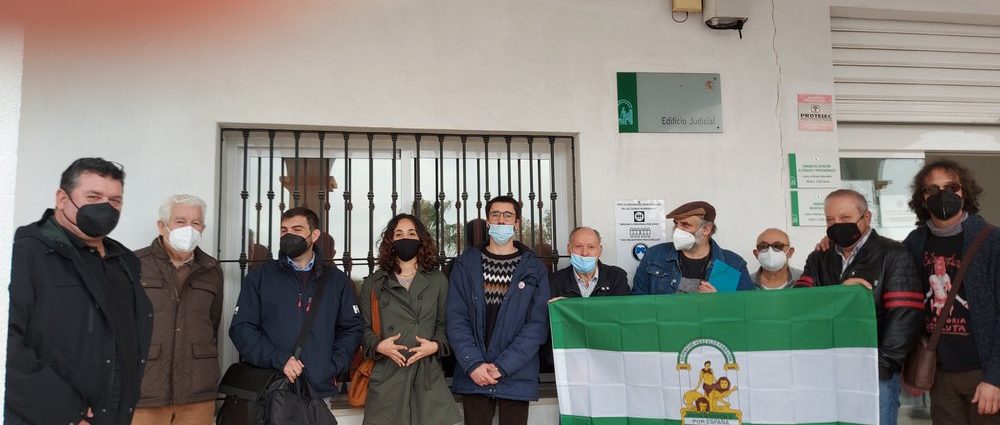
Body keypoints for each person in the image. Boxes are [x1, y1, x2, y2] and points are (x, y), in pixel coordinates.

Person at [6, 158, 153, 425]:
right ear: (62, 198)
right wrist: (66, 413)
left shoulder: (124, 261)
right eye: (93, 197)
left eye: (115, 200)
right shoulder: (24, 253)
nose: (105, 207)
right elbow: (7, 345)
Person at [793, 189, 923, 425]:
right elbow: (801, 304)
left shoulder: (893, 254)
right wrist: (842, 294)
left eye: (845, 218)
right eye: (830, 220)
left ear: (867, 217)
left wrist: (881, 365)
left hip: (875, 371)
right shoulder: (819, 257)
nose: (836, 225)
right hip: (829, 368)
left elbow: (905, 316)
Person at [230, 207, 363, 408]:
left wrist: (331, 366)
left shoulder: (336, 281)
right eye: (284, 230)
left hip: (318, 391)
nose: (289, 235)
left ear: (314, 235)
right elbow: (242, 328)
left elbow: (351, 328)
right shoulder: (260, 277)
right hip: (271, 388)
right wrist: (279, 359)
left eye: (297, 229)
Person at [901, 159, 1000, 422]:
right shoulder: (915, 242)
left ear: (964, 192)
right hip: (940, 373)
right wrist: (829, 246)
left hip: (983, 373)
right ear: (922, 198)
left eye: (951, 187)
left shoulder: (992, 241)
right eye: (932, 189)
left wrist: (995, 378)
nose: (942, 195)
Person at [447, 195, 550, 425]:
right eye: (495, 214)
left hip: (517, 374)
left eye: (507, 215)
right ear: (487, 221)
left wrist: (504, 366)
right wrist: (473, 364)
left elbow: (537, 325)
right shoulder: (465, 264)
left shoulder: (534, 268)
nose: (501, 220)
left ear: (517, 223)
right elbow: (456, 318)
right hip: (474, 375)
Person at [358, 214, 461, 425]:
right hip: (388, 374)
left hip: (427, 375)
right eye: (399, 234)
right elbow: (363, 328)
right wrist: (378, 346)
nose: (405, 238)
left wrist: (435, 346)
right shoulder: (374, 282)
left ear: (421, 239)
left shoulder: (437, 280)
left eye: (411, 233)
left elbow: (445, 324)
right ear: (390, 240)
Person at [132, 194, 223, 424]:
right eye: (180, 221)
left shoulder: (212, 270)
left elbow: (212, 323)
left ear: (203, 228)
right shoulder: (134, 264)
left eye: (196, 222)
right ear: (162, 225)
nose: (189, 229)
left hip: (197, 394)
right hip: (145, 392)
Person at [632, 201, 754, 294]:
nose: (677, 230)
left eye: (685, 225)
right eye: (676, 224)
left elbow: (746, 309)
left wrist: (719, 302)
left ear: (706, 229)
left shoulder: (733, 265)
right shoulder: (654, 256)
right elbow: (638, 303)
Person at [550, 226, 630, 298]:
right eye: (578, 246)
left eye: (591, 247)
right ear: (569, 249)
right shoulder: (555, 281)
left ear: (599, 250)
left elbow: (622, 308)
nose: (585, 253)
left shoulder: (616, 277)